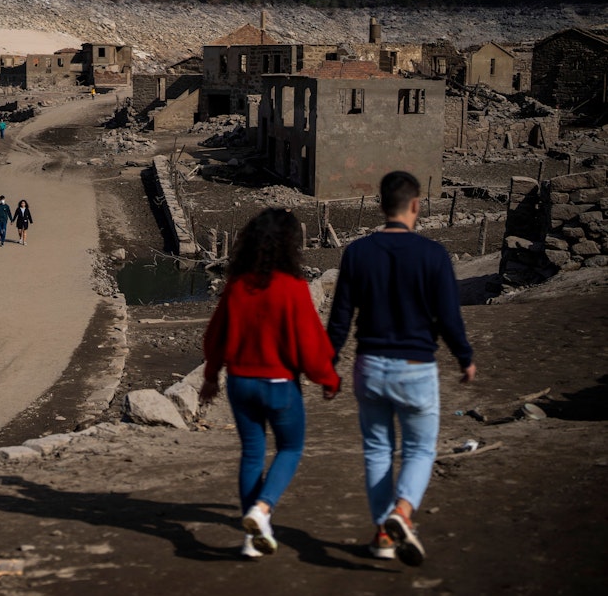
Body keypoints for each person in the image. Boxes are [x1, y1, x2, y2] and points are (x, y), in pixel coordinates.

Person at [327, 171, 476, 567]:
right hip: (416, 367)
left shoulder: (357, 253)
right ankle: (403, 511)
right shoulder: (433, 255)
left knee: (378, 451)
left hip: (369, 367)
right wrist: (464, 357)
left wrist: (328, 366)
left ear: (381, 206)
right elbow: (449, 317)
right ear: (415, 205)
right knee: (420, 449)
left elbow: (340, 318)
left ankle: (382, 534)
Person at [200, 208, 341, 559]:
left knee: (252, 453)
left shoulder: (236, 286)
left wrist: (210, 377)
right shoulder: (293, 288)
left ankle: (253, 538)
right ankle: (262, 508)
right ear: (290, 245)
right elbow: (310, 344)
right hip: (279, 384)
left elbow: (215, 336)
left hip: (241, 383)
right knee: (290, 448)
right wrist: (328, 378)